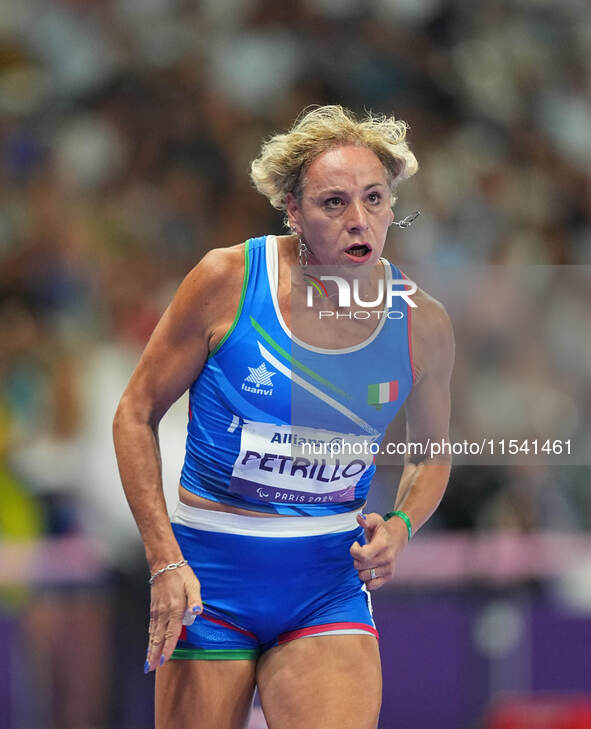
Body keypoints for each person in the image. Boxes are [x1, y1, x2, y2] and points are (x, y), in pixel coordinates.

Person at [113, 105, 454, 729]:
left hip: (326, 580)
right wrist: (164, 559)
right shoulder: (227, 281)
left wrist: (401, 525)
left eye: (374, 199)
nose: (359, 220)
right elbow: (135, 414)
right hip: (208, 581)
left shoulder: (422, 322)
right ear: (292, 211)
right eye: (333, 203)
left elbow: (432, 455)